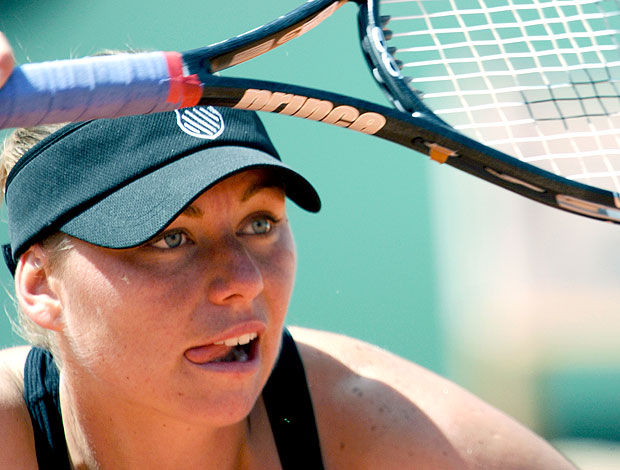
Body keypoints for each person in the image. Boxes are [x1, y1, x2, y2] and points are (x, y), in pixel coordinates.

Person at [0, 44, 577, 470]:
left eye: (260, 224)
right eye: (171, 238)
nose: (243, 281)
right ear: (42, 283)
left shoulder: (383, 427)